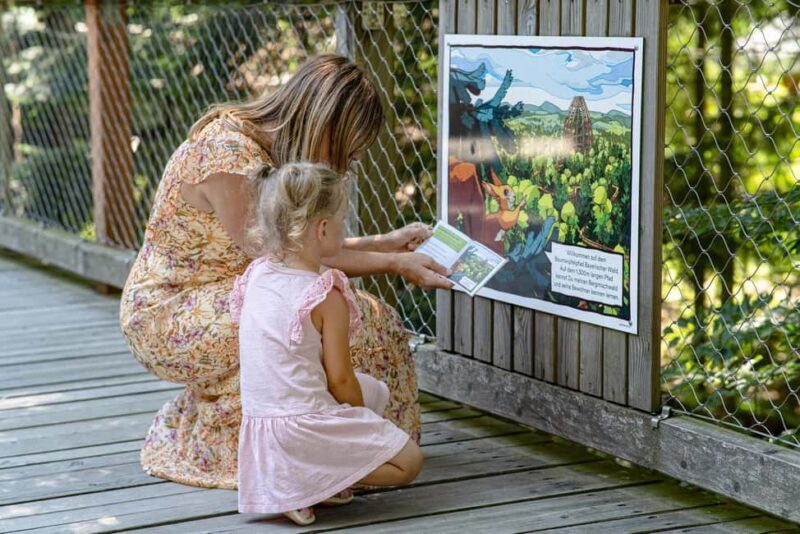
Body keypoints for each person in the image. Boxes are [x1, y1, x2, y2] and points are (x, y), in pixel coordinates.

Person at [119, 54, 450, 489]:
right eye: (343, 148)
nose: (343, 165)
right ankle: (315, 459)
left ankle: (346, 448)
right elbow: (287, 258)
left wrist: (382, 243)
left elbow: (297, 253)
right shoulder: (228, 154)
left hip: (238, 290)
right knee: (351, 322)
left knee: (365, 319)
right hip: (170, 313)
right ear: (322, 122)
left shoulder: (268, 153)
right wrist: (393, 262)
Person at [232, 162, 423, 525]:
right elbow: (339, 380)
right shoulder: (324, 293)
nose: (343, 228)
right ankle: (307, 480)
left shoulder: (257, 274)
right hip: (301, 427)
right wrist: (359, 418)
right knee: (409, 462)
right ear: (322, 229)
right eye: (342, 221)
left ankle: (301, 474)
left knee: (375, 391)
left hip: (265, 426)